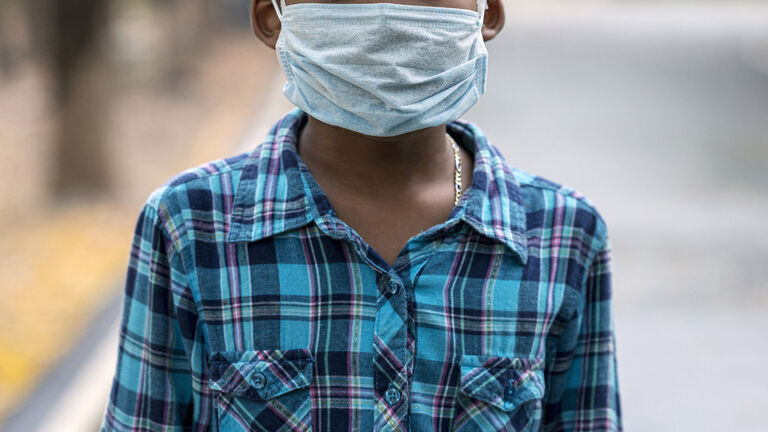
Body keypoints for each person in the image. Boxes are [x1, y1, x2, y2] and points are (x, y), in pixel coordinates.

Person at [99, 0, 622, 430]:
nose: (386, 15)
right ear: (270, 17)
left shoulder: (564, 235)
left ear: (487, 15)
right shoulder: (190, 224)